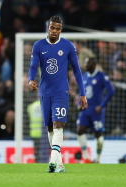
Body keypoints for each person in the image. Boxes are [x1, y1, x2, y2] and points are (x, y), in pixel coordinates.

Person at [28, 15, 88, 173]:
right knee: (50, 128)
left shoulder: (68, 46)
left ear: (61, 30)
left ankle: (52, 161)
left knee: (58, 124)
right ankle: (59, 164)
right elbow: (34, 66)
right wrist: (30, 80)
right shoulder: (38, 45)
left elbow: (76, 70)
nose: (55, 31)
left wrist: (82, 93)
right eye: (52, 28)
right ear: (48, 27)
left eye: (58, 29)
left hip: (61, 91)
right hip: (44, 92)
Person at [76, 58, 115, 163]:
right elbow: (81, 91)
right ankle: (86, 158)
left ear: (93, 64)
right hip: (85, 110)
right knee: (80, 130)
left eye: (87, 63)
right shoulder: (84, 76)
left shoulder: (102, 76)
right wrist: (78, 103)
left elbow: (111, 91)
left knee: (98, 134)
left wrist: (101, 106)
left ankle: (97, 159)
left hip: (96, 111)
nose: (85, 65)